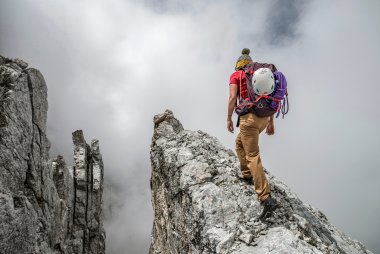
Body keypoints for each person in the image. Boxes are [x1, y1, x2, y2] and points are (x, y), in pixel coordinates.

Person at [227, 48, 278, 220]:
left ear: (238, 65)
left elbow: (233, 98)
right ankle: (247, 175)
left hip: (248, 119)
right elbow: (269, 97)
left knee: (253, 155)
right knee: (239, 143)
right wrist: (271, 122)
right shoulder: (259, 74)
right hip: (263, 119)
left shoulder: (236, 76)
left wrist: (228, 118)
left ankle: (265, 198)